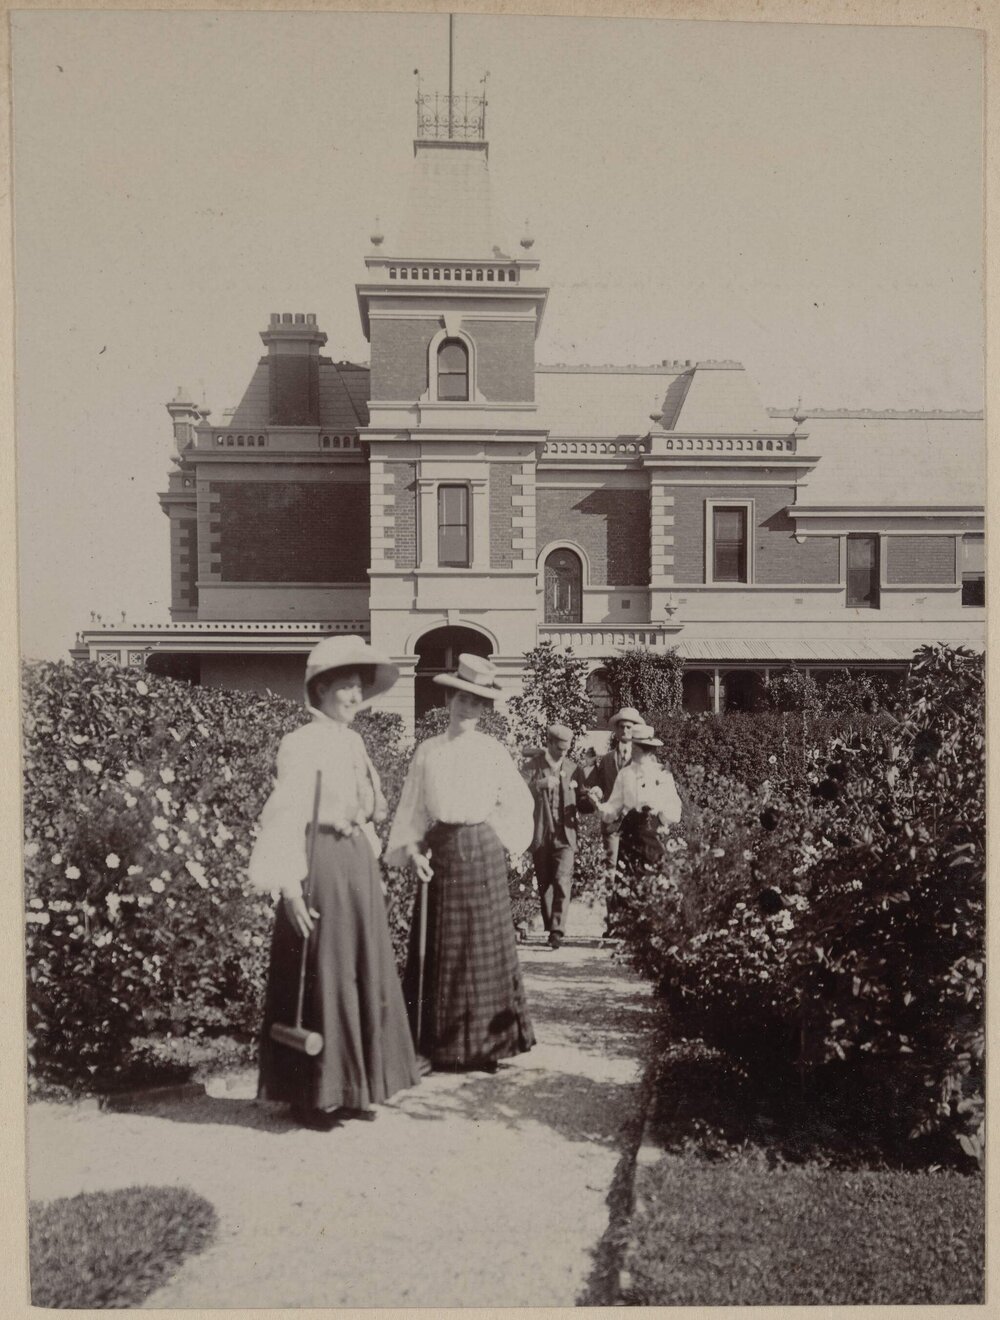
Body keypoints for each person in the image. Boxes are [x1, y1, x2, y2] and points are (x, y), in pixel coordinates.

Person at [249, 635, 421, 1130]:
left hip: (355, 863)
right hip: (319, 861)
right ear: (321, 689)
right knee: (324, 969)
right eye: (345, 685)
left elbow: (368, 810)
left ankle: (355, 1088)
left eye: (359, 687)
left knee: (359, 970)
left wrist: (371, 858)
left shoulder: (353, 742)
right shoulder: (300, 743)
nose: (354, 695)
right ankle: (314, 1094)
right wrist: (289, 888)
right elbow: (284, 817)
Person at [386, 654, 536, 1073]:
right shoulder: (429, 751)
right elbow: (413, 807)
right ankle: (434, 1046)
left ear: (485, 708)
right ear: (449, 698)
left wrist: (500, 837)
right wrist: (414, 851)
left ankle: (490, 1045)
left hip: (483, 850)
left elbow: (519, 801)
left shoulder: (492, 751)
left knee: (484, 948)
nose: (469, 708)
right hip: (443, 852)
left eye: (478, 702)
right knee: (443, 948)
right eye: (463, 699)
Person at [521, 722, 597, 949]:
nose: (563, 753)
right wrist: (538, 785)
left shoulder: (574, 769)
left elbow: (582, 801)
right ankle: (551, 926)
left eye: (566, 749)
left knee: (563, 879)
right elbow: (518, 793)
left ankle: (557, 930)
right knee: (545, 882)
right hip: (541, 833)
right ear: (549, 743)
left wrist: (591, 799)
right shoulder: (532, 766)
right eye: (560, 748)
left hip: (566, 835)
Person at [597, 723, 683, 883]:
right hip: (630, 831)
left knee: (652, 880)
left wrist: (660, 819)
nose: (633, 750)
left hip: (653, 832)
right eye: (633, 746)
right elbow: (614, 804)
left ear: (647, 750)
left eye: (636, 747)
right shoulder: (626, 774)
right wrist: (602, 808)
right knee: (627, 880)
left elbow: (673, 805)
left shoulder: (662, 774)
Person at [584, 706, 643, 933]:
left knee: (633, 869)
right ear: (616, 731)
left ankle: (633, 922)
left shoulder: (641, 759)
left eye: (629, 726)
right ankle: (613, 922)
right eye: (622, 726)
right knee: (610, 870)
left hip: (635, 825)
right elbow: (598, 784)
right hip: (612, 824)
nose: (626, 730)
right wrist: (596, 791)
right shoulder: (607, 760)